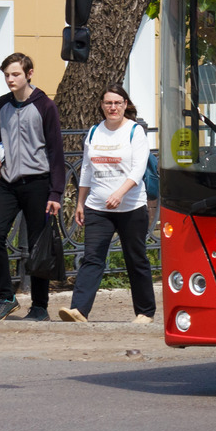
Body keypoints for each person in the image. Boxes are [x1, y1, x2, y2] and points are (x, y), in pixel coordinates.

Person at [60, 85, 155, 324]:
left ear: (125, 105)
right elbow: (87, 170)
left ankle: (145, 313)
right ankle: (79, 310)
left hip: (131, 207)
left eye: (117, 103)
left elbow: (138, 169)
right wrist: (81, 202)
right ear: (102, 106)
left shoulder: (135, 132)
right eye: (108, 103)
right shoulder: (94, 132)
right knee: (92, 258)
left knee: (136, 259)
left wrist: (120, 193)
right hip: (98, 208)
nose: (112, 107)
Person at [0, 53, 67, 321]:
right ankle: (6, 297)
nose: (10, 79)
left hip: (38, 184)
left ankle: (40, 307)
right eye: (7, 75)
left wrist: (55, 193)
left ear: (29, 74)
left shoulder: (45, 105)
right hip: (8, 183)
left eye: (15, 74)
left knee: (37, 245)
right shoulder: (1, 105)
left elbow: (56, 152)